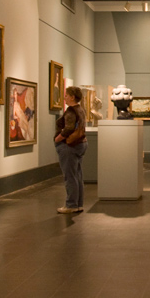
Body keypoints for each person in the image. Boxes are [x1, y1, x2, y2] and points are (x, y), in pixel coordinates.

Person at [54, 86, 88, 214]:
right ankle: (78, 204)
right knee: (77, 175)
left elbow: (68, 128)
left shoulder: (71, 111)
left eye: (66, 95)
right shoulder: (80, 110)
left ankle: (71, 204)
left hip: (70, 146)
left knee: (70, 176)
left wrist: (58, 138)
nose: (65, 97)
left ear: (72, 97)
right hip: (80, 144)